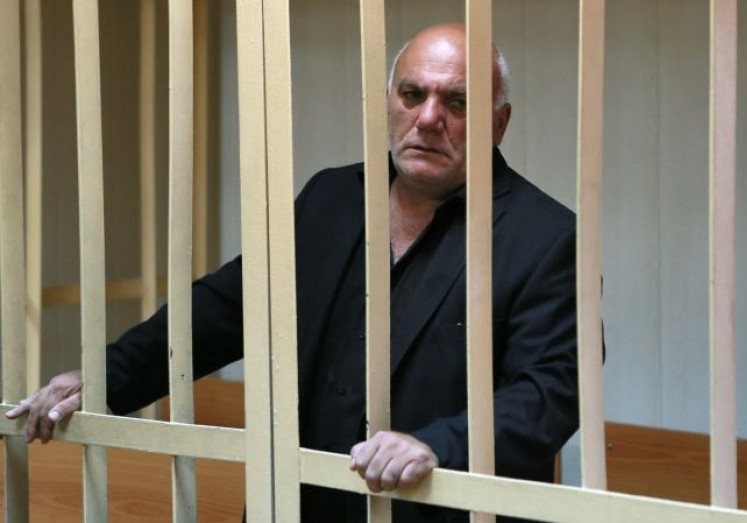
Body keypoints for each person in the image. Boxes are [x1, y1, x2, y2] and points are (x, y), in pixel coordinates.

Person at [7, 23, 578, 523]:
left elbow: (551, 391)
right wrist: (107, 378)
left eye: (458, 101)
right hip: (300, 503)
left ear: (498, 122)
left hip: (434, 509)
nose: (428, 118)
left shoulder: (544, 237)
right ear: (388, 101)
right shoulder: (332, 198)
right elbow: (227, 308)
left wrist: (437, 445)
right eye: (412, 94)